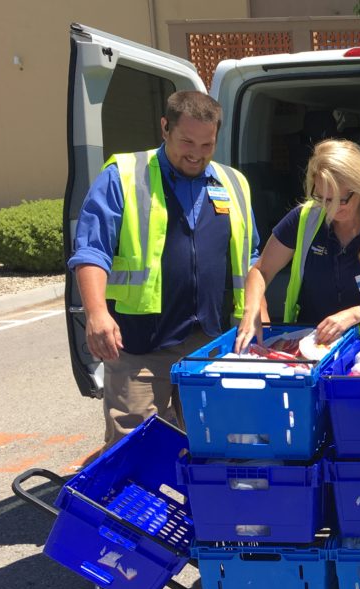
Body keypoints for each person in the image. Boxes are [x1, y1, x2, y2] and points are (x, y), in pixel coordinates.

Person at [69, 90, 259, 449]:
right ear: (164, 128)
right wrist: (95, 312)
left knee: (214, 439)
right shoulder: (123, 176)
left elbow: (251, 255)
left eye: (207, 144)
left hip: (212, 340)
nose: (196, 153)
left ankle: (201, 506)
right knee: (135, 444)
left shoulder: (233, 182)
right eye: (187, 141)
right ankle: (132, 507)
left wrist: (255, 305)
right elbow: (92, 251)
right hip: (141, 343)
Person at [234, 138, 360, 352]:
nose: (331, 209)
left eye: (341, 200)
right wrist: (254, 313)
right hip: (309, 346)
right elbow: (260, 271)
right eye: (322, 198)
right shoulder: (303, 218)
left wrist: (356, 314)